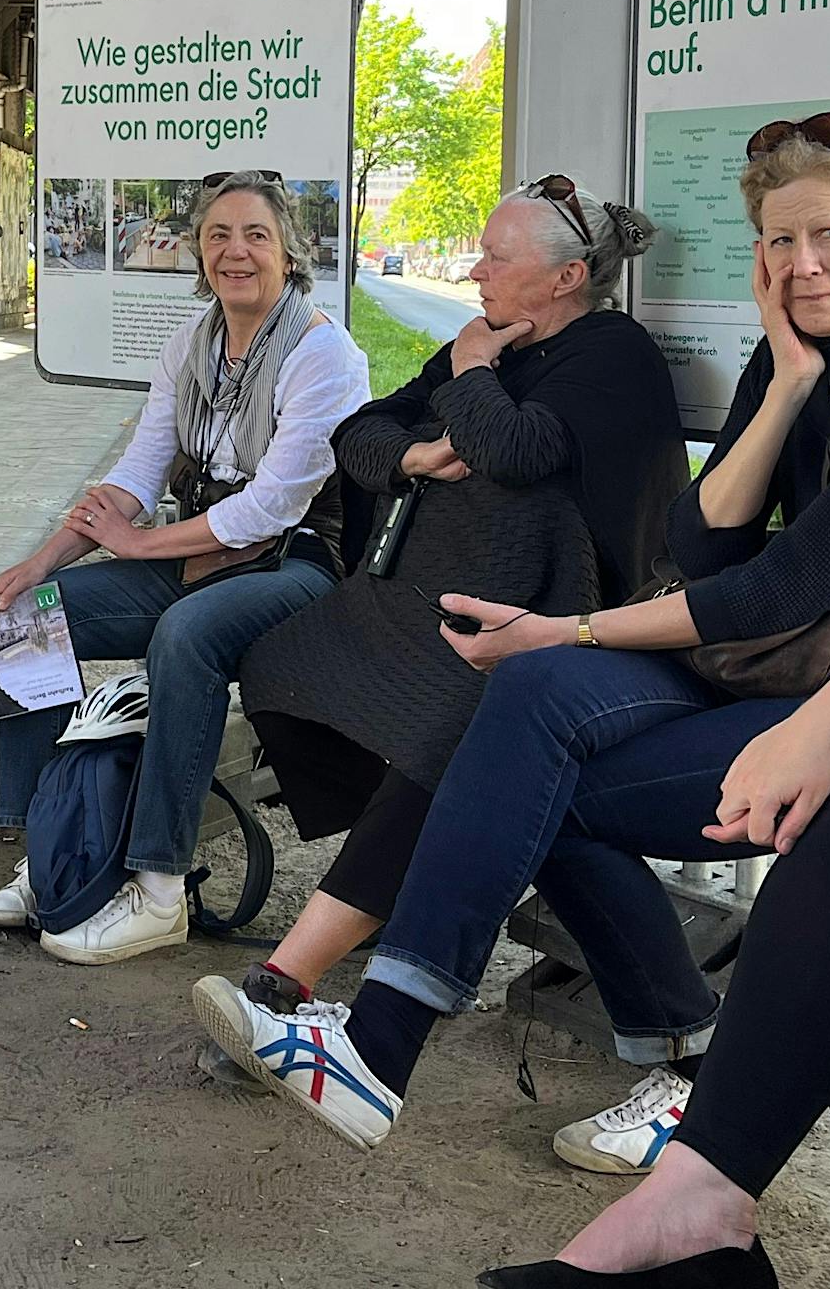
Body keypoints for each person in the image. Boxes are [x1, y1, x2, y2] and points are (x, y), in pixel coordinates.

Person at [195, 114, 830, 1164]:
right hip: (762, 669)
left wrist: (563, 627)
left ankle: (648, 1067)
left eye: (827, 235)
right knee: (525, 712)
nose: (801, 264)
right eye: (779, 240)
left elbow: (781, 586)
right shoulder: (795, 356)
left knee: (533, 763)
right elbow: (701, 545)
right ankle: (403, 1047)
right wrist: (787, 387)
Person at [480, 504, 830, 1289]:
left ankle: (384, 1027)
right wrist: (820, 725)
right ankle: (699, 1198)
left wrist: (829, 729)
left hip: (802, 673)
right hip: (810, 684)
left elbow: (784, 585)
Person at [234, 179, 686, 1012]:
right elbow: (361, 431)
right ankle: (393, 880)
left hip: (569, 615)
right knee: (281, 663)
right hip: (440, 590)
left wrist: (472, 369)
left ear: (567, 277)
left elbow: (512, 450)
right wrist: (414, 456)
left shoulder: (612, 351)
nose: (476, 272)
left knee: (442, 740)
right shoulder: (490, 340)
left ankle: (288, 978)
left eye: (496, 257)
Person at [0, 169, 369, 964]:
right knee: (24, 618)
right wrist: (41, 562)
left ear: (289, 252)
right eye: (218, 235)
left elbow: (272, 507)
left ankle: (159, 890)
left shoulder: (324, 353)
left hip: (296, 560)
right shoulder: (192, 342)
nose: (236, 251)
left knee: (187, 636)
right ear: (198, 251)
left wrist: (135, 544)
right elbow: (139, 470)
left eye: (256, 235)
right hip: (201, 552)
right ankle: (50, 853)